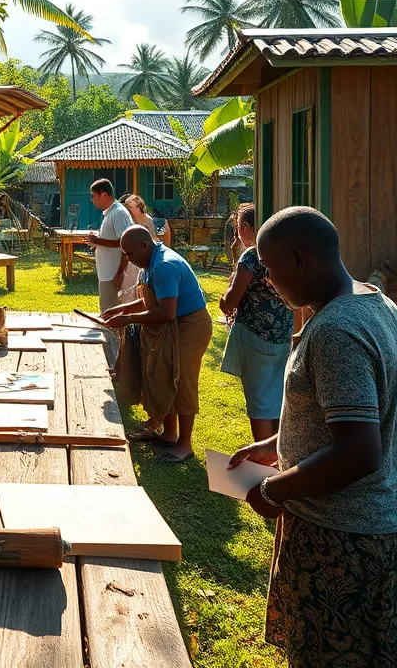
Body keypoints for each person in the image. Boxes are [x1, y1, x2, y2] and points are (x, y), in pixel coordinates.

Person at [228, 207, 397, 667]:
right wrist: (276, 446)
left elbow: (358, 452)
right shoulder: (378, 304)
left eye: (270, 268)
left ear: (300, 259)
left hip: (339, 538)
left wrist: (273, 489)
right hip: (367, 525)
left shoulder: (335, 331)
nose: (269, 281)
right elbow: (358, 415)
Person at [101, 224, 213, 463]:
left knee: (182, 381)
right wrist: (118, 310)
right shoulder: (148, 263)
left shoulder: (164, 265)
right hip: (173, 323)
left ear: (144, 245)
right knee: (165, 373)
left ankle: (185, 444)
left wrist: (127, 319)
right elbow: (148, 301)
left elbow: (165, 311)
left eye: (130, 254)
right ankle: (169, 434)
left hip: (190, 325)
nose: (129, 259)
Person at [219, 203, 293, 442]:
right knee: (277, 399)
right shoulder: (285, 250)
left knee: (260, 403)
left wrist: (223, 303)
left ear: (247, 227)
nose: (237, 234)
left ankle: (263, 462)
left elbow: (231, 299)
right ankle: (278, 455)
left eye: (238, 229)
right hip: (283, 335)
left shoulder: (252, 256)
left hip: (256, 337)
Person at [86, 179, 133, 368]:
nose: (93, 201)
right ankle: (115, 359)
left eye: (94, 196)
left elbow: (126, 244)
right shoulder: (111, 213)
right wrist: (97, 240)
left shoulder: (118, 213)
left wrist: (120, 272)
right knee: (109, 315)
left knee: (111, 317)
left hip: (113, 274)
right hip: (107, 273)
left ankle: (115, 362)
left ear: (103, 194)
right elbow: (113, 239)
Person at [119, 193, 158, 302]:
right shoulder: (129, 220)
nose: (128, 210)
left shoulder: (147, 220)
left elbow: (153, 239)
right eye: (126, 208)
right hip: (132, 256)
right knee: (128, 283)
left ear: (139, 207)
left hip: (142, 257)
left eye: (130, 207)